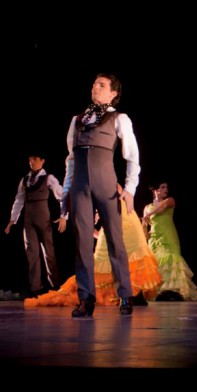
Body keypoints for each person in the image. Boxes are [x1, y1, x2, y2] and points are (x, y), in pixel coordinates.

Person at [57, 73, 139, 318]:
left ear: (114, 92)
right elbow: (70, 162)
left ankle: (125, 295)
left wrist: (130, 189)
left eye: (101, 85)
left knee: (115, 239)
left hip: (105, 183)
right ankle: (86, 298)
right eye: (94, 84)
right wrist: (65, 199)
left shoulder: (119, 118)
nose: (95, 87)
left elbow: (132, 156)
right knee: (82, 241)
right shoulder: (77, 120)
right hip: (80, 185)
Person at [26, 184, 162, 307]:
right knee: (104, 259)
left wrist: (98, 210)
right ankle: (112, 294)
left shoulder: (105, 176)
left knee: (133, 252)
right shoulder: (84, 181)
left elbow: (118, 190)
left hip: (125, 215)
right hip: (113, 216)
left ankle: (134, 293)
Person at [142, 182, 197, 301]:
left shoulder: (170, 201)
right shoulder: (147, 207)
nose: (166, 189)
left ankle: (173, 291)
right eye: (163, 187)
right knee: (156, 263)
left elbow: (161, 208)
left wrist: (149, 215)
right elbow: (144, 225)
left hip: (168, 237)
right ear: (155, 190)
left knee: (171, 261)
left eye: (167, 187)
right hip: (155, 240)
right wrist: (145, 232)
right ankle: (158, 292)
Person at [5, 153, 62, 297]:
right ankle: (36, 287)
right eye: (30, 159)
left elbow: (61, 195)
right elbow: (19, 200)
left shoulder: (48, 178)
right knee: (32, 253)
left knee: (48, 252)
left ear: (42, 161)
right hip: (28, 220)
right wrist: (13, 219)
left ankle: (55, 285)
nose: (31, 162)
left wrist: (63, 216)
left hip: (43, 218)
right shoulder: (25, 180)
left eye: (35, 159)